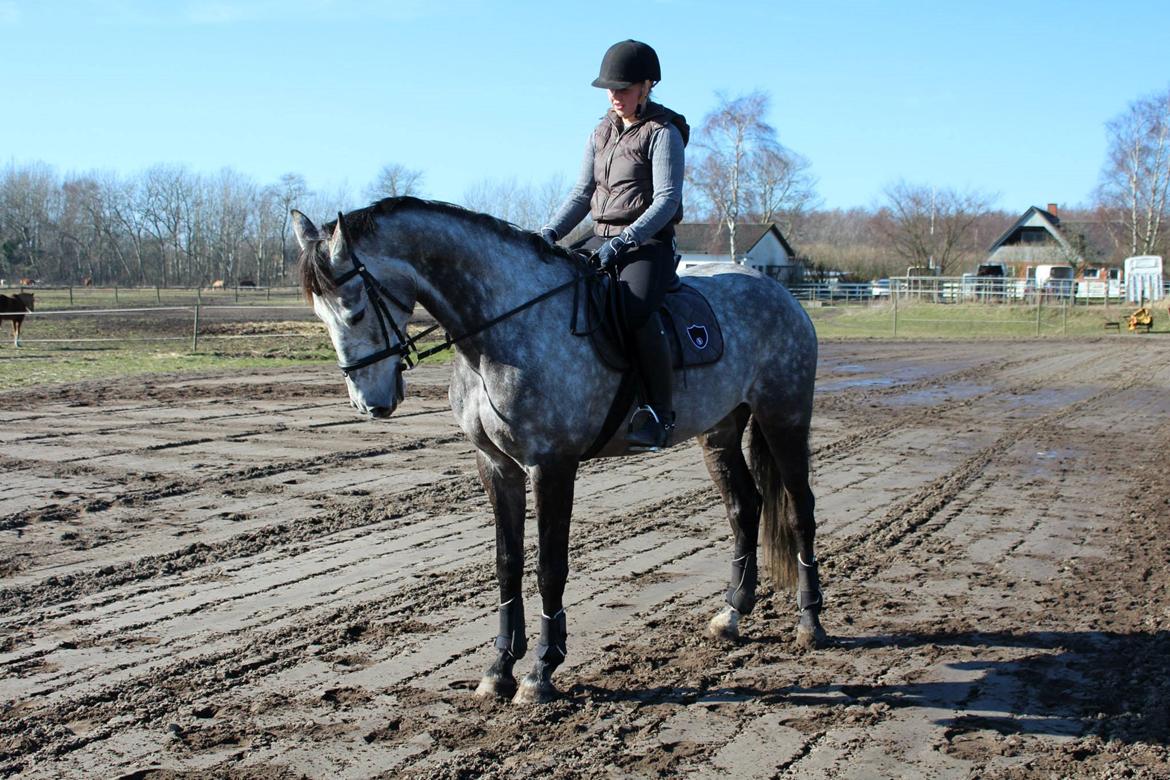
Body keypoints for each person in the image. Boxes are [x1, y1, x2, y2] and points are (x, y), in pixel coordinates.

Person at [539, 39, 689, 452]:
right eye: (610, 89)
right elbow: (582, 193)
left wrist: (626, 240)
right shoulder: (601, 131)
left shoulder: (663, 133)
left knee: (634, 309)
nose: (614, 96)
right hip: (599, 236)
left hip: (647, 244)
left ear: (646, 86)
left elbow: (667, 201)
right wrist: (549, 233)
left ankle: (659, 412)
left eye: (623, 88)